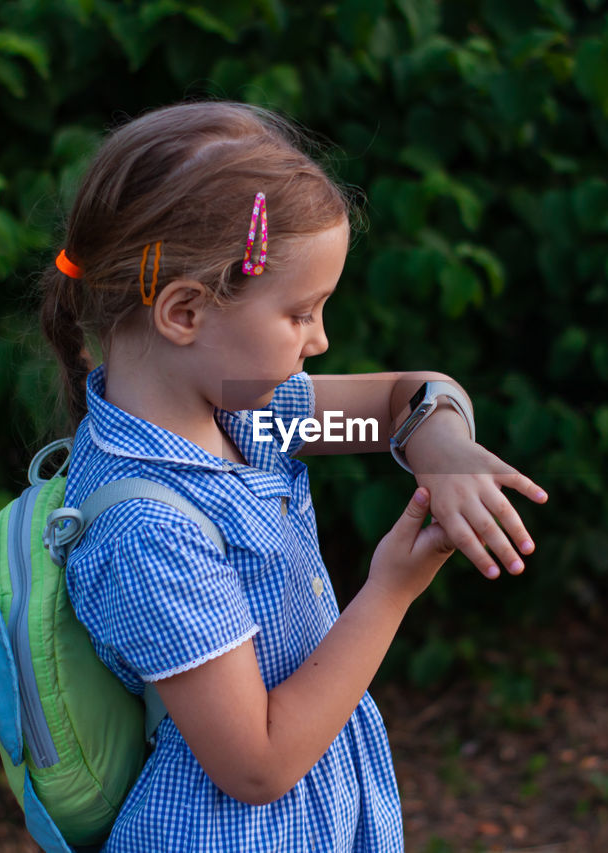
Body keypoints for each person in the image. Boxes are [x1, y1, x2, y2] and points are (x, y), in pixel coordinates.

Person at [39, 101, 548, 852]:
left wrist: (444, 444)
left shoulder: (249, 418)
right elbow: (260, 763)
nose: (322, 339)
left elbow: (396, 400)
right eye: (302, 313)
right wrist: (390, 590)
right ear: (184, 311)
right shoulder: (151, 527)